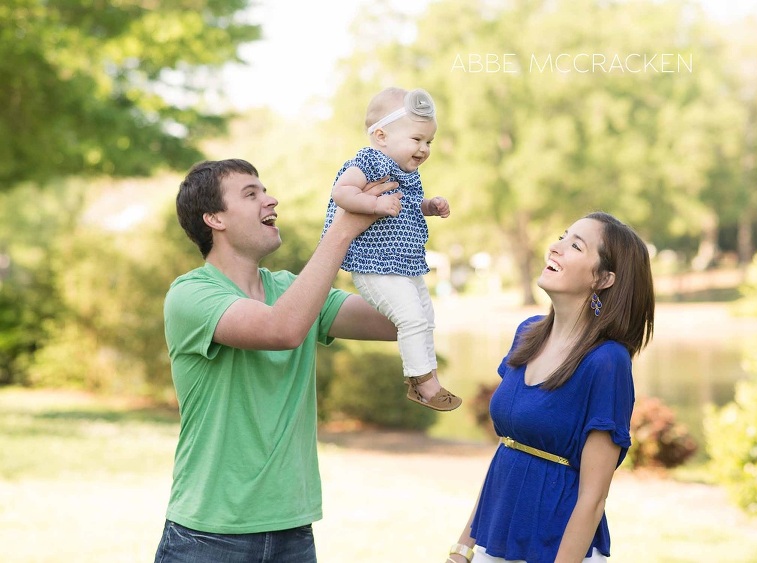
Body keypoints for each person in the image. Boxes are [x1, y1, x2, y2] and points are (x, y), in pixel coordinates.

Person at [153, 158, 400, 563]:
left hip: (293, 533)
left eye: (265, 190)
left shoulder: (292, 290)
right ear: (214, 218)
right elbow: (280, 332)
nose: (271, 200)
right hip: (209, 537)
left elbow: (395, 323)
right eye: (251, 194)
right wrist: (342, 229)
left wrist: (392, 229)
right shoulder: (190, 295)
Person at [446, 212, 655, 563]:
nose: (555, 248)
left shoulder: (607, 362)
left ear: (603, 278)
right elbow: (506, 454)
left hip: (557, 550)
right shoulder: (527, 333)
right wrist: (463, 548)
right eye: (561, 237)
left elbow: (593, 498)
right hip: (494, 541)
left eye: (575, 246)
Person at [322, 86, 461, 412]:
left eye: (429, 142)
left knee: (426, 317)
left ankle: (427, 380)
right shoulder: (369, 161)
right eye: (417, 140)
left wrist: (430, 205)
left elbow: (408, 206)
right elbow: (341, 192)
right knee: (411, 318)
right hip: (375, 263)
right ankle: (423, 383)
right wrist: (373, 203)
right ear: (381, 136)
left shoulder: (408, 174)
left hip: (403, 264)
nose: (425, 149)